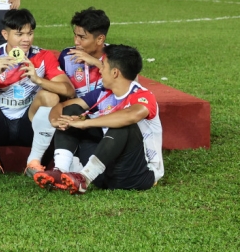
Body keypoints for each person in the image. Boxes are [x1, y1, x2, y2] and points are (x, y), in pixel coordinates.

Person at [0, 8, 74, 178]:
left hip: (30, 122)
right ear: (5, 34)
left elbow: (69, 90)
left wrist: (38, 80)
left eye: (30, 33)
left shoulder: (43, 56)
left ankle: (34, 162)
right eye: (19, 34)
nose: (26, 39)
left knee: (50, 96)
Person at [36, 44, 163, 193]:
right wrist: (55, 119)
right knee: (73, 111)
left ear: (115, 72)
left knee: (123, 125)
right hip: (104, 173)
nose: (100, 69)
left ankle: (84, 177)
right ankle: (60, 170)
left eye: (103, 65)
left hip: (136, 174)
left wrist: (86, 123)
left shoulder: (142, 95)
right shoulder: (103, 93)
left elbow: (130, 116)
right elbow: (64, 105)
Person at [58, 7, 110, 108]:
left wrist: (97, 63)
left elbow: (129, 88)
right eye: (75, 35)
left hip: (108, 113)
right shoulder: (67, 56)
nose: (76, 42)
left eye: (82, 37)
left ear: (100, 39)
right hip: (76, 113)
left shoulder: (117, 56)